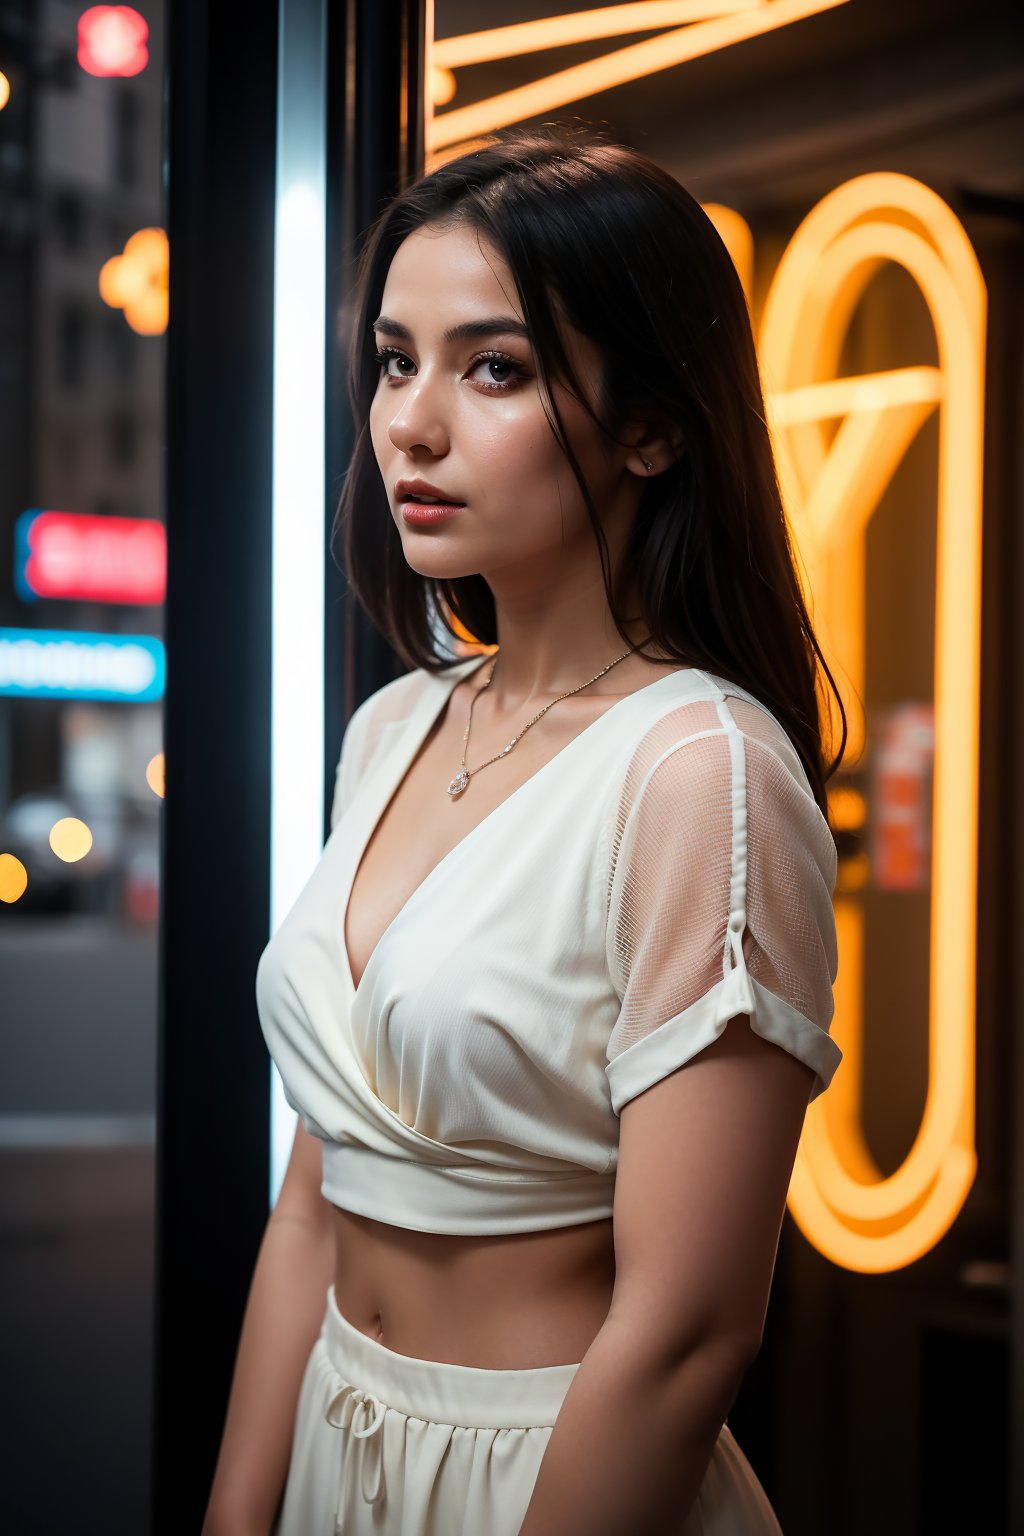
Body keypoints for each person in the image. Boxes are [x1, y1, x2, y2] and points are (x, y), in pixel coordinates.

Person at [202, 123, 847, 1536]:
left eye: (492, 367)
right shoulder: (392, 730)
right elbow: (313, 1204)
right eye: (394, 360)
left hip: (555, 1476)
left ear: (654, 424)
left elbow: (687, 1336)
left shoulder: (700, 773)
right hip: (333, 1430)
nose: (409, 424)